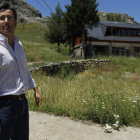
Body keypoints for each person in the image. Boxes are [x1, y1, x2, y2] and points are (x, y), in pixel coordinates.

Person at [0, 1, 42, 140]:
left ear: (16, 22)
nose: (6, 21)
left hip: (22, 104)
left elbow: (24, 69)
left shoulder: (19, 45)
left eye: (10, 18)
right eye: (2, 18)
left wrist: (35, 90)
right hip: (4, 108)